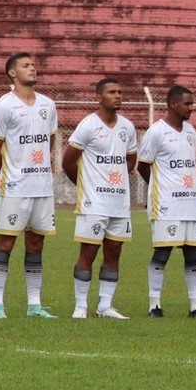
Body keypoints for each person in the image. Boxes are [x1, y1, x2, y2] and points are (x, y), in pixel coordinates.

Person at [0, 52, 59, 319]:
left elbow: (49, 143)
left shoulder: (48, 105)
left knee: (36, 244)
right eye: (25, 65)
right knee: (6, 242)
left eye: (33, 64)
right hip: (16, 188)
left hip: (42, 187)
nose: (32, 68)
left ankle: (34, 305)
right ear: (12, 73)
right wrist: (10, 176)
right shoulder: (4, 106)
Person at [62, 78, 138, 320]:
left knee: (114, 252)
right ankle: (81, 305)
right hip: (94, 203)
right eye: (112, 92)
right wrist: (87, 186)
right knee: (89, 252)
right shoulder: (88, 125)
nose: (118, 96)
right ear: (99, 97)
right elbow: (68, 161)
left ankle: (105, 306)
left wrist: (115, 180)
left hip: (120, 204)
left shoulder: (127, 127)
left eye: (120, 91)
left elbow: (131, 160)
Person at [137, 85, 196, 318]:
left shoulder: (190, 131)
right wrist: (156, 191)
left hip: (190, 204)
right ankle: (154, 306)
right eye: (187, 104)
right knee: (162, 253)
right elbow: (143, 165)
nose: (191, 108)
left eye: (192, 104)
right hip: (167, 205)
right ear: (172, 104)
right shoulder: (156, 132)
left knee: (194, 254)